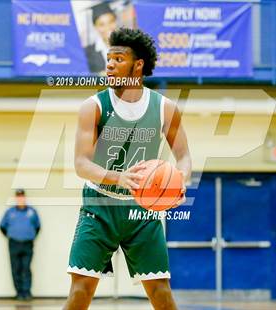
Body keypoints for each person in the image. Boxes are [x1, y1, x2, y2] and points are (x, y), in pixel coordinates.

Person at [63, 28, 192, 310]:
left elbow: (183, 158)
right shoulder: (94, 106)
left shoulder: (165, 108)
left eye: (118, 58)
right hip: (99, 208)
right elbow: (81, 164)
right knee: (81, 290)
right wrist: (117, 177)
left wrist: (180, 179)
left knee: (161, 292)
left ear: (138, 64)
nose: (109, 64)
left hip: (142, 210)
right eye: (108, 58)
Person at [0, 189, 41, 301]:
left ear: (25, 197)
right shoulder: (10, 212)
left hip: (28, 244)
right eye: (18, 196)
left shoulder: (32, 212)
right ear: (16, 198)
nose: (20, 199)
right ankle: (19, 293)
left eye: (22, 196)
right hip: (14, 244)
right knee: (16, 268)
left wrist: (29, 236)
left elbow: (38, 227)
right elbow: (2, 227)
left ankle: (27, 293)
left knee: (26, 268)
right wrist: (12, 236)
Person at [85, 2, 117, 74]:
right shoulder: (88, 53)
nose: (108, 27)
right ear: (95, 27)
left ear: (116, 22)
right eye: (102, 24)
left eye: (111, 21)